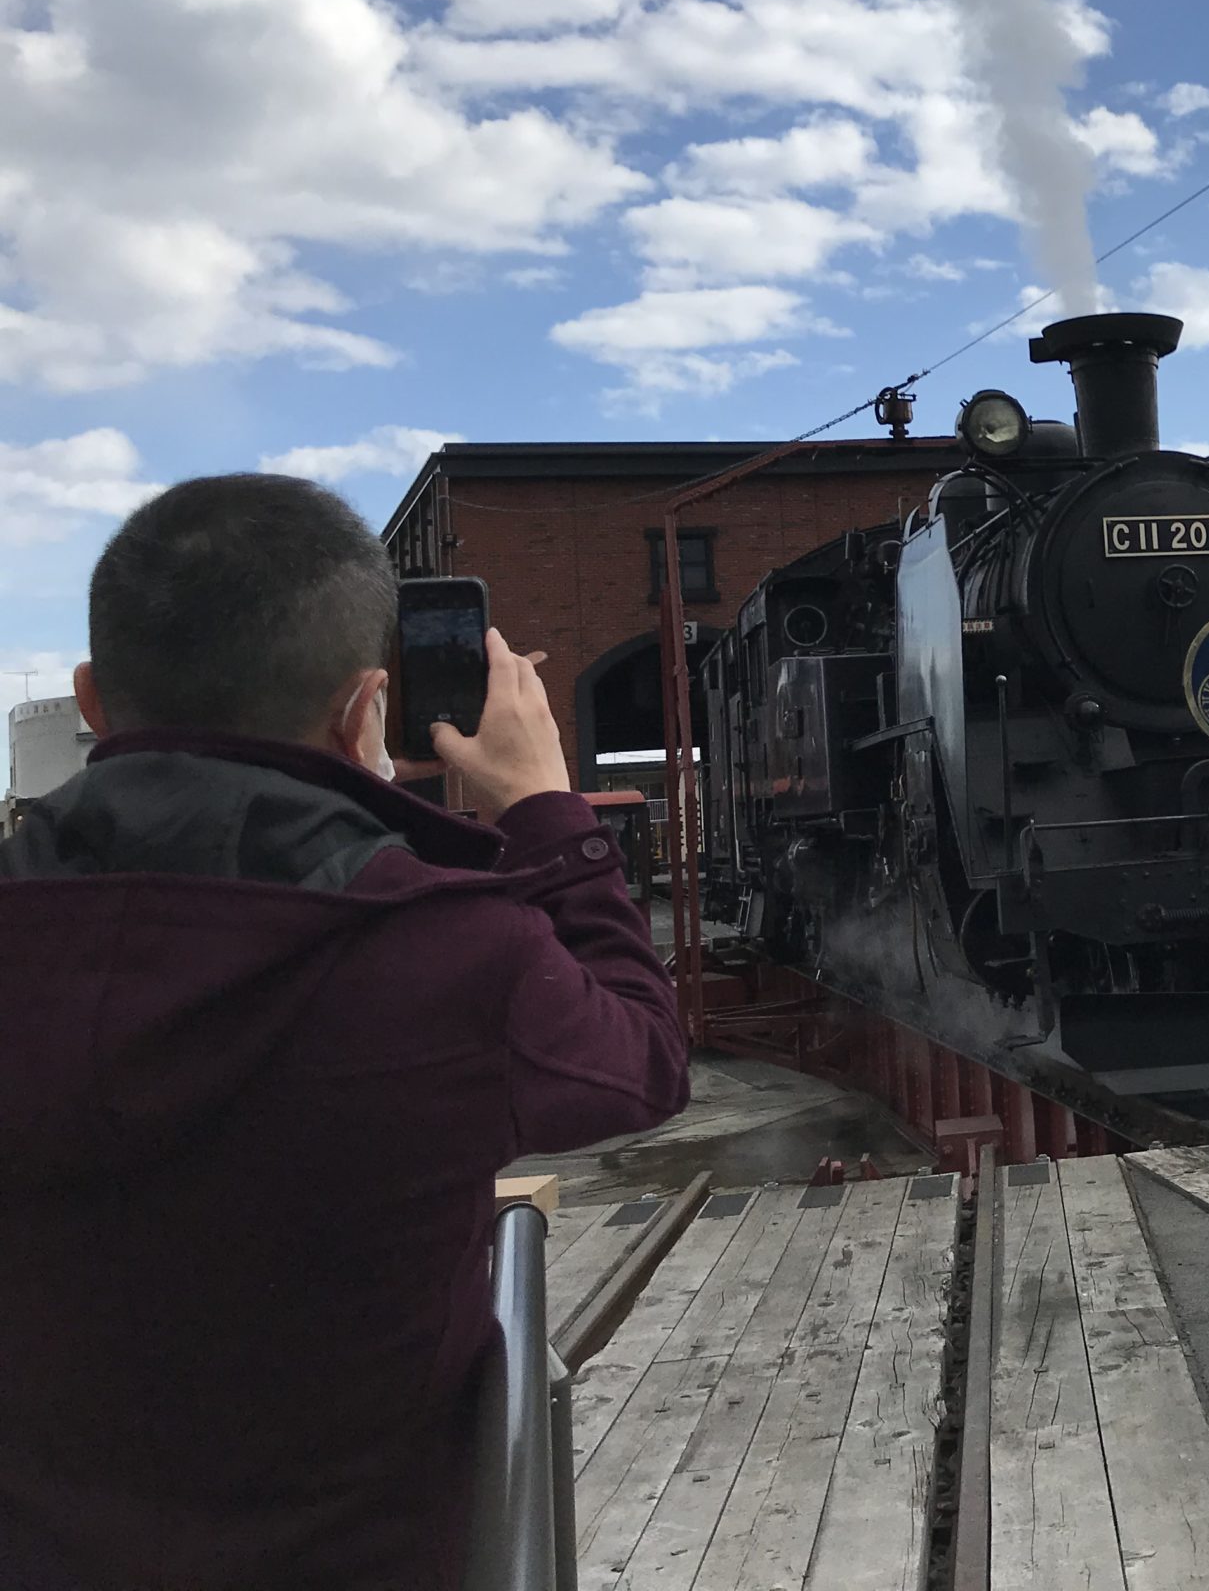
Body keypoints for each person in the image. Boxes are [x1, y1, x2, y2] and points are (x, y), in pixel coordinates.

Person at [0, 475, 691, 1590]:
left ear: (90, 698)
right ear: (367, 708)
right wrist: (546, 813)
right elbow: (641, 1063)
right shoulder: (456, 954)